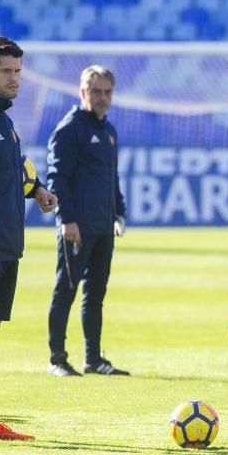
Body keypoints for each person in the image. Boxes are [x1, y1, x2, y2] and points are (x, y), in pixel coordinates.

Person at [46, 65, 129, 377]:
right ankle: (57, 359)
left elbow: (112, 179)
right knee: (65, 291)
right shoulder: (69, 129)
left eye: (107, 92)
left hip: (103, 226)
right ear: (82, 92)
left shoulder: (108, 131)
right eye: (96, 91)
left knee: (95, 295)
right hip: (76, 227)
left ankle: (93, 359)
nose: (102, 98)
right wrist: (66, 219)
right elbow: (57, 178)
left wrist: (118, 214)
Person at [0, 36, 58, 440]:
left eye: (18, 71)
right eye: (6, 71)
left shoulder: (6, 124)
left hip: (6, 246)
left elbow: (19, 169)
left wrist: (37, 190)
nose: (15, 78)